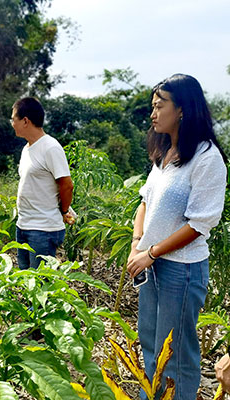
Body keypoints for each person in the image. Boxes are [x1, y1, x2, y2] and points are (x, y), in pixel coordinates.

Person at [126, 74, 228, 400]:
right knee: (151, 342)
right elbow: (145, 201)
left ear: (182, 109)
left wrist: (151, 253)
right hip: (151, 264)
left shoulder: (206, 158)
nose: (153, 113)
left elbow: (200, 224)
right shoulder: (165, 153)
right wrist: (136, 245)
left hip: (180, 270)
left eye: (159, 106)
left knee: (176, 354)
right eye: (152, 107)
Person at [11, 97, 74, 270]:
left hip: (43, 229)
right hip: (23, 224)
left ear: (25, 121)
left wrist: (63, 210)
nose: (12, 123)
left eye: (13, 118)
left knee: (40, 284)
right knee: (26, 281)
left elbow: (67, 185)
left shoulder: (50, 147)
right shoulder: (27, 148)